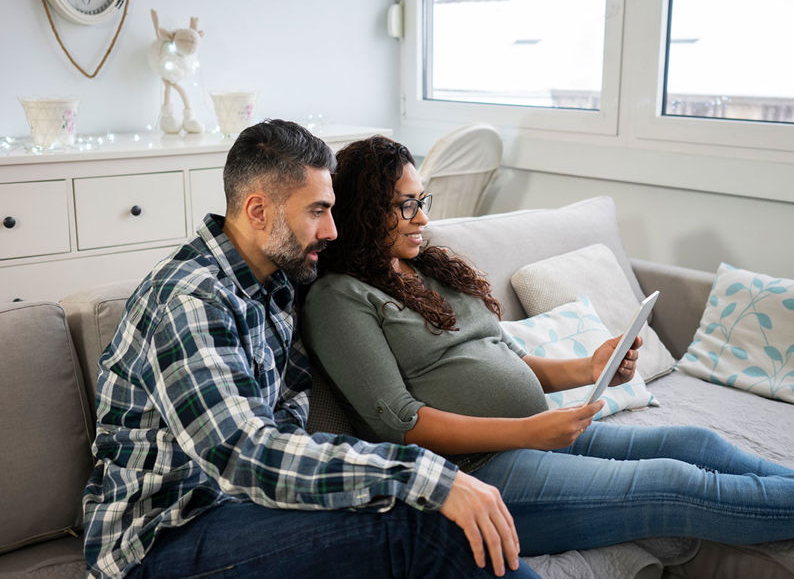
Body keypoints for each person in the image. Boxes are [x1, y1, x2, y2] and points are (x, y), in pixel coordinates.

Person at [82, 120, 542, 579]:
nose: (332, 230)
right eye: (317, 211)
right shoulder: (190, 302)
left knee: (416, 512)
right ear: (258, 211)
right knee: (423, 526)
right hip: (163, 538)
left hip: (247, 509)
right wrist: (423, 473)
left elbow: (290, 426)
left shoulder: (277, 285)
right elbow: (244, 453)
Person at [302, 134, 794, 557]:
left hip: (531, 436)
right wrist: (528, 432)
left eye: (421, 201)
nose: (422, 219)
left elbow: (509, 359)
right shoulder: (340, 297)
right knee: (676, 484)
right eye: (405, 205)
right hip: (473, 475)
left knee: (693, 444)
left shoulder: (429, 268)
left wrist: (591, 368)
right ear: (365, 211)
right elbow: (401, 425)